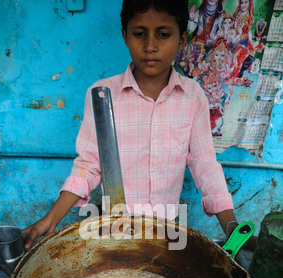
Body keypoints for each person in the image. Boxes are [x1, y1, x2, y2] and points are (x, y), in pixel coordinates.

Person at [23, 0, 238, 250]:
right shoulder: (103, 95)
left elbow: (205, 165)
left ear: (181, 39)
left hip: (168, 227)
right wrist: (51, 219)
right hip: (114, 226)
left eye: (163, 34)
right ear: (125, 36)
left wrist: (232, 226)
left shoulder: (193, 97)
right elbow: (89, 165)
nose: (150, 46)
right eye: (139, 34)